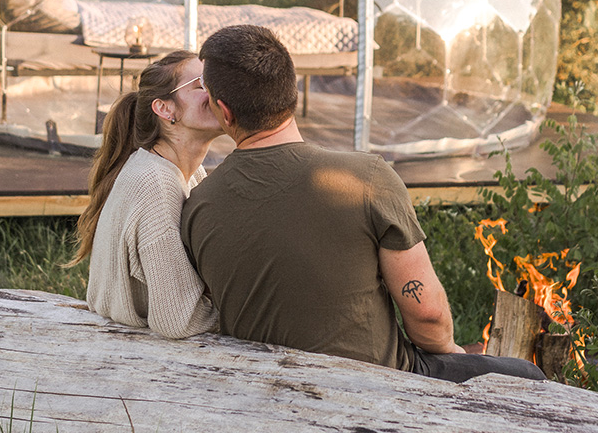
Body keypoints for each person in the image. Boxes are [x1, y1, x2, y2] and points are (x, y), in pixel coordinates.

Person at [181, 25, 545, 383]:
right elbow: (429, 318)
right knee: (528, 375)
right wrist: (451, 351)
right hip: (378, 385)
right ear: (290, 91)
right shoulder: (366, 179)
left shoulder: (199, 205)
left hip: (263, 388)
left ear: (225, 113)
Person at [66, 50, 222, 339]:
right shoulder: (154, 182)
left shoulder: (188, 172)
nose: (218, 91)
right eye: (202, 85)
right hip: (120, 354)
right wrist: (250, 315)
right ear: (165, 109)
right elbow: (178, 321)